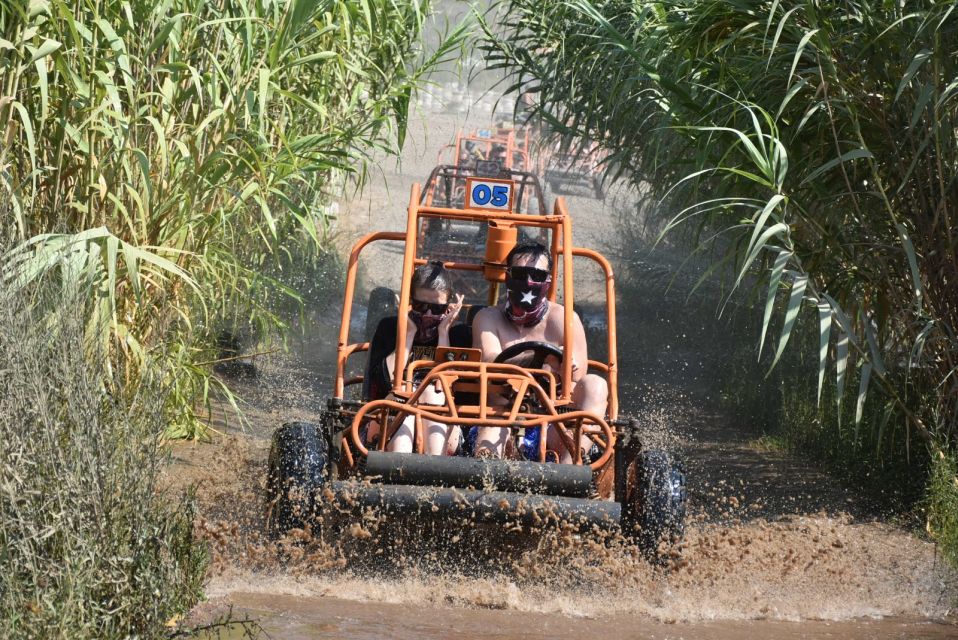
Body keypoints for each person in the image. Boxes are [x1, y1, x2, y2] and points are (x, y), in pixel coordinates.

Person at [471, 242, 608, 462]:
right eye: (520, 273)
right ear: (508, 276)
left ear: (547, 281)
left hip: (554, 422)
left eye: (536, 274)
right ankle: (481, 487)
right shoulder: (488, 318)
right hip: (500, 417)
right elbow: (490, 362)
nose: (528, 281)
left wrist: (563, 366)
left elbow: (577, 378)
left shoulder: (564, 319)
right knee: (491, 435)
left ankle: (571, 473)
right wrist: (545, 360)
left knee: (596, 384)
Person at [363, 261, 466, 455]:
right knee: (406, 405)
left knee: (429, 393)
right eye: (420, 305)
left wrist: (444, 333)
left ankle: (433, 470)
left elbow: (454, 389)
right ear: (410, 302)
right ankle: (400, 472)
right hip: (388, 417)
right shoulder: (390, 328)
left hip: (444, 423)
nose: (427, 314)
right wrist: (408, 333)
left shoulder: (459, 335)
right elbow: (386, 382)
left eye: (436, 309)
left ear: (448, 307)